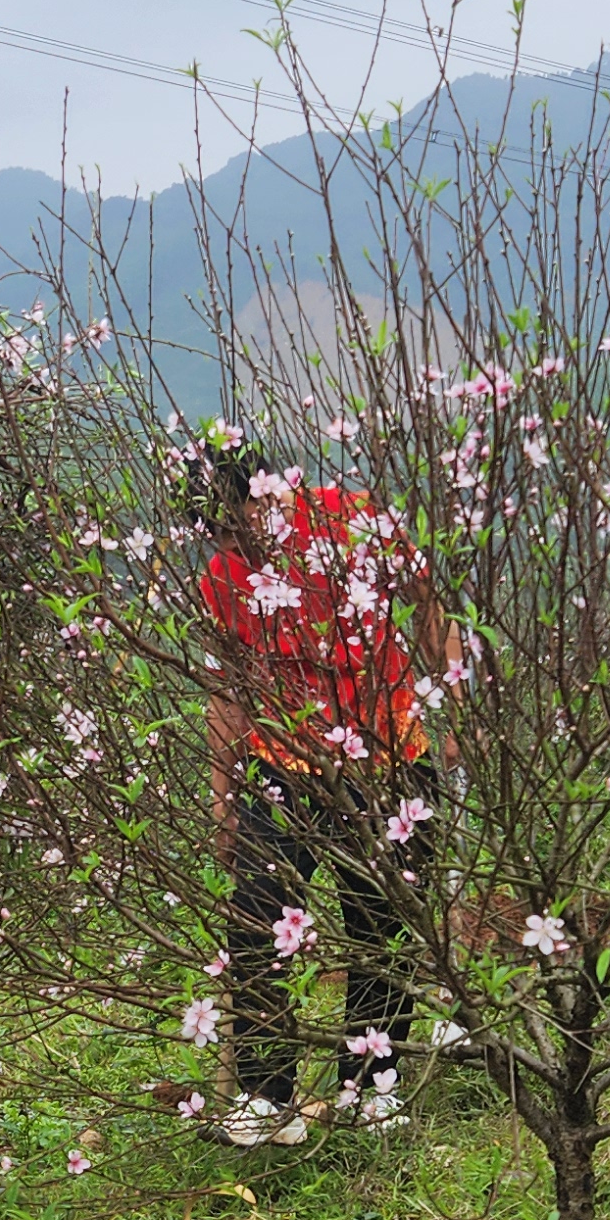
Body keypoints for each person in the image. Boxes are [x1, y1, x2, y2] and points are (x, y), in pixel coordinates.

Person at [196, 430, 446, 1136]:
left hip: (390, 756)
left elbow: (426, 602)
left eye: (243, 525)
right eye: (221, 535)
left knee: (382, 926)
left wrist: (447, 700)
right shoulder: (221, 577)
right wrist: (223, 800)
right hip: (283, 768)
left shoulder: (351, 518)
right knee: (256, 920)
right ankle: (267, 1098)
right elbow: (229, 691)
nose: (242, 548)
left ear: (269, 495)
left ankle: (371, 1086)